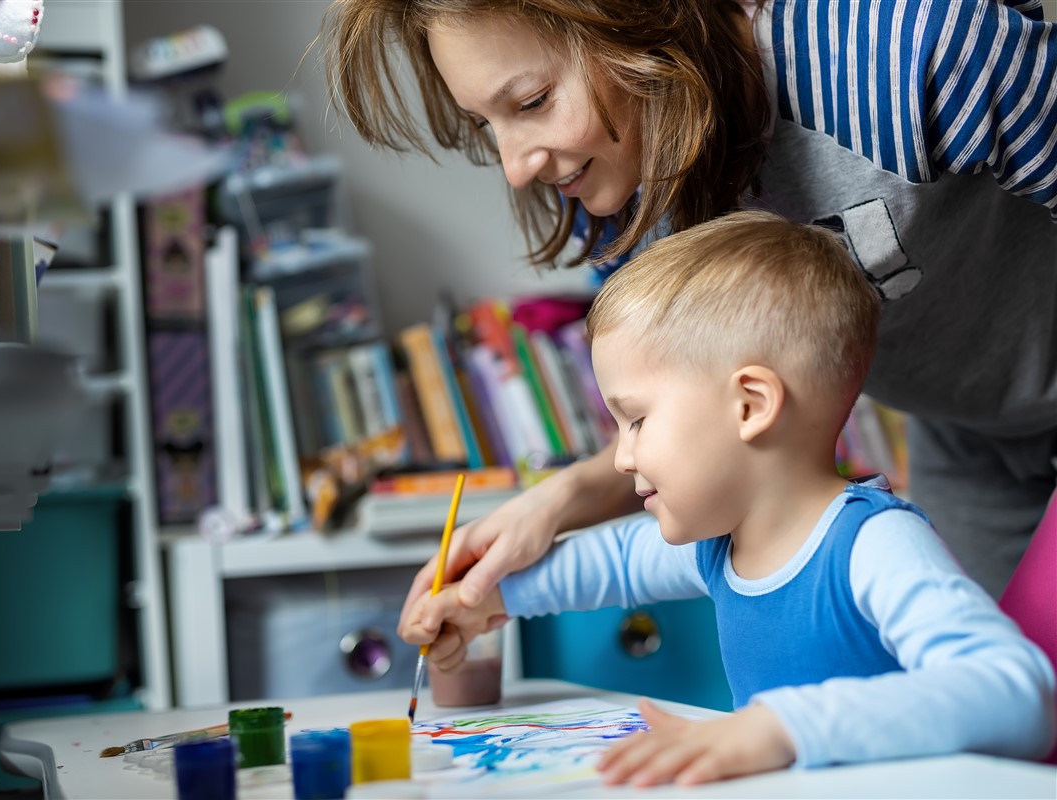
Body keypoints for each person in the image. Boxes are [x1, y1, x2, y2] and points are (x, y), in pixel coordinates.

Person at [320, 0, 1057, 609]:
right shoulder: (618, 187)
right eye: (488, 123)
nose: (516, 168)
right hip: (969, 442)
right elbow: (692, 418)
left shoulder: (902, 51)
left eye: (535, 102)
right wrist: (551, 506)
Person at [399, 211, 1056, 786]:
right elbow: (610, 564)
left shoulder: (874, 545)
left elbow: (1017, 698)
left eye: (636, 420)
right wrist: (484, 597)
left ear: (750, 405)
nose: (621, 457)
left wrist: (778, 729)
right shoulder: (720, 544)